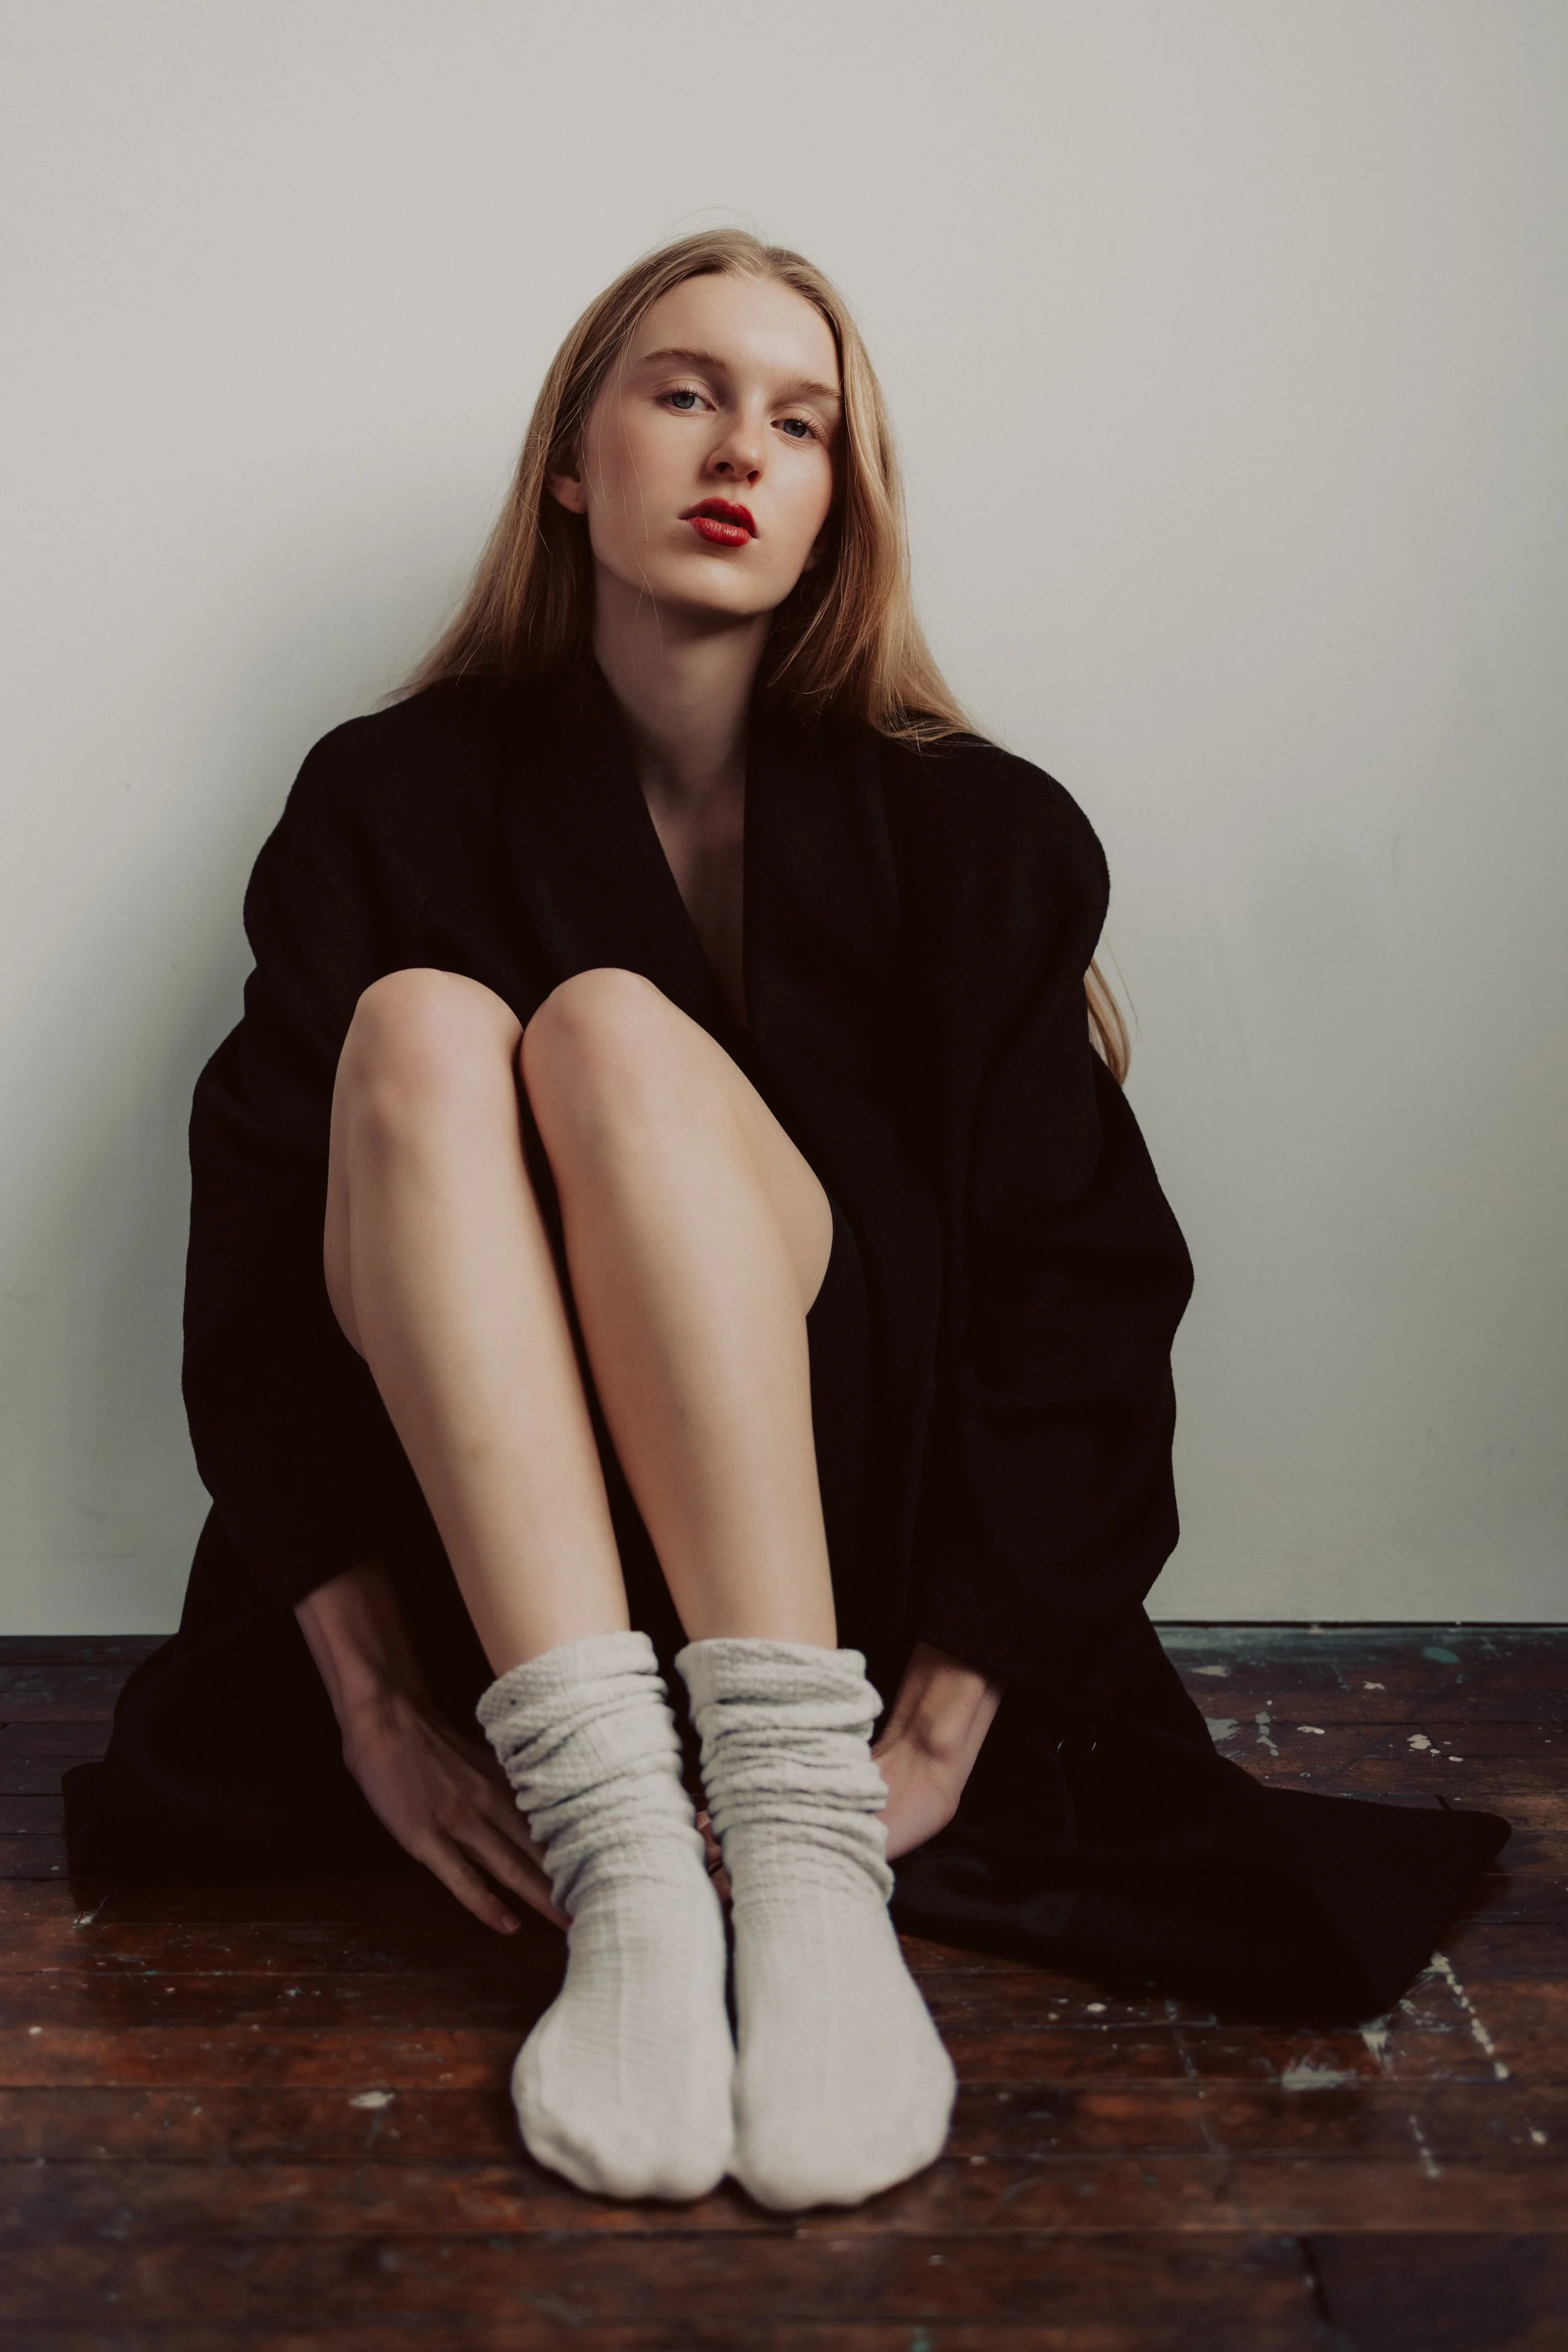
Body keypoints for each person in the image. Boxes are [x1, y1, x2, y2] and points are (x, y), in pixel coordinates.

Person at [66, 231, 1508, 2209]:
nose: (741, 445)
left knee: (610, 1036)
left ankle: (797, 1864)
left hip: (834, 1599)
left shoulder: (978, 832)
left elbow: (1080, 1295)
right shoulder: (384, 801)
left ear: (842, 497)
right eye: (681, 390)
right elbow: (254, 1279)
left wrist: (935, 1724)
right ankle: (633, 1871)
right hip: (512, 1602)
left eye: (801, 417)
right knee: (412, 1034)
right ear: (569, 459)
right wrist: (381, 1707)